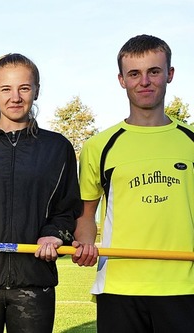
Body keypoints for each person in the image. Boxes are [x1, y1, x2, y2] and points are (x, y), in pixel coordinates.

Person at [72, 34, 194, 332]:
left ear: (170, 74)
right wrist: (85, 244)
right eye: (134, 74)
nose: (145, 81)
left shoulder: (190, 141)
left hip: (185, 285)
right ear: (121, 80)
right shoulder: (99, 146)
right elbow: (86, 213)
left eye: (154, 71)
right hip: (120, 285)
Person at [0, 53, 81, 333]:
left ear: (36, 90)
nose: (15, 97)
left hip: (35, 279)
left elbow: (67, 208)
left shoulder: (57, 148)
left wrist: (54, 234)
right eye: (6, 89)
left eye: (24, 88)